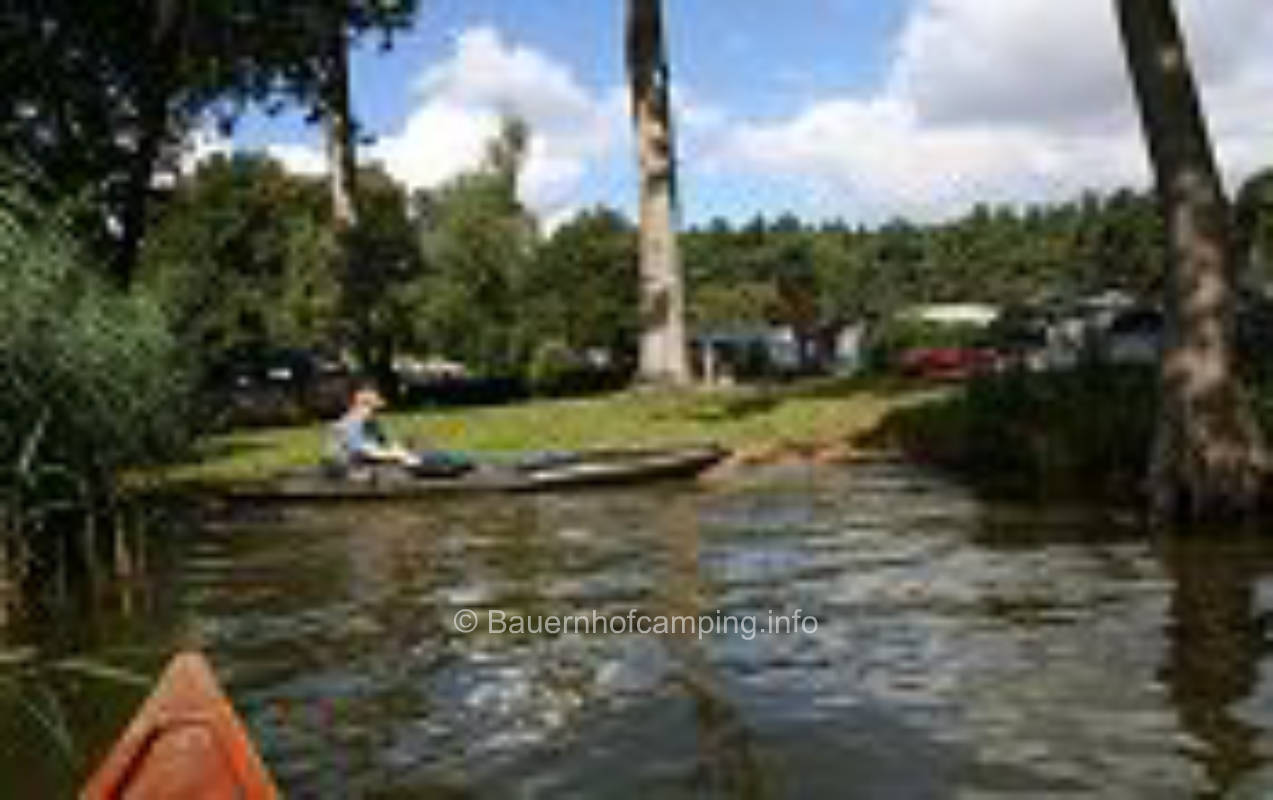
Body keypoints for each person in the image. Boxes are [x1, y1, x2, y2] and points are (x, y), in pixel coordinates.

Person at [328, 385, 419, 471]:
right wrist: (394, 455)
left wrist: (400, 447)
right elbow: (361, 451)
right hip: (346, 466)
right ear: (362, 407)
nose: (377, 414)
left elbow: (383, 442)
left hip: (363, 460)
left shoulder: (370, 423)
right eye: (374, 410)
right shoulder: (351, 424)